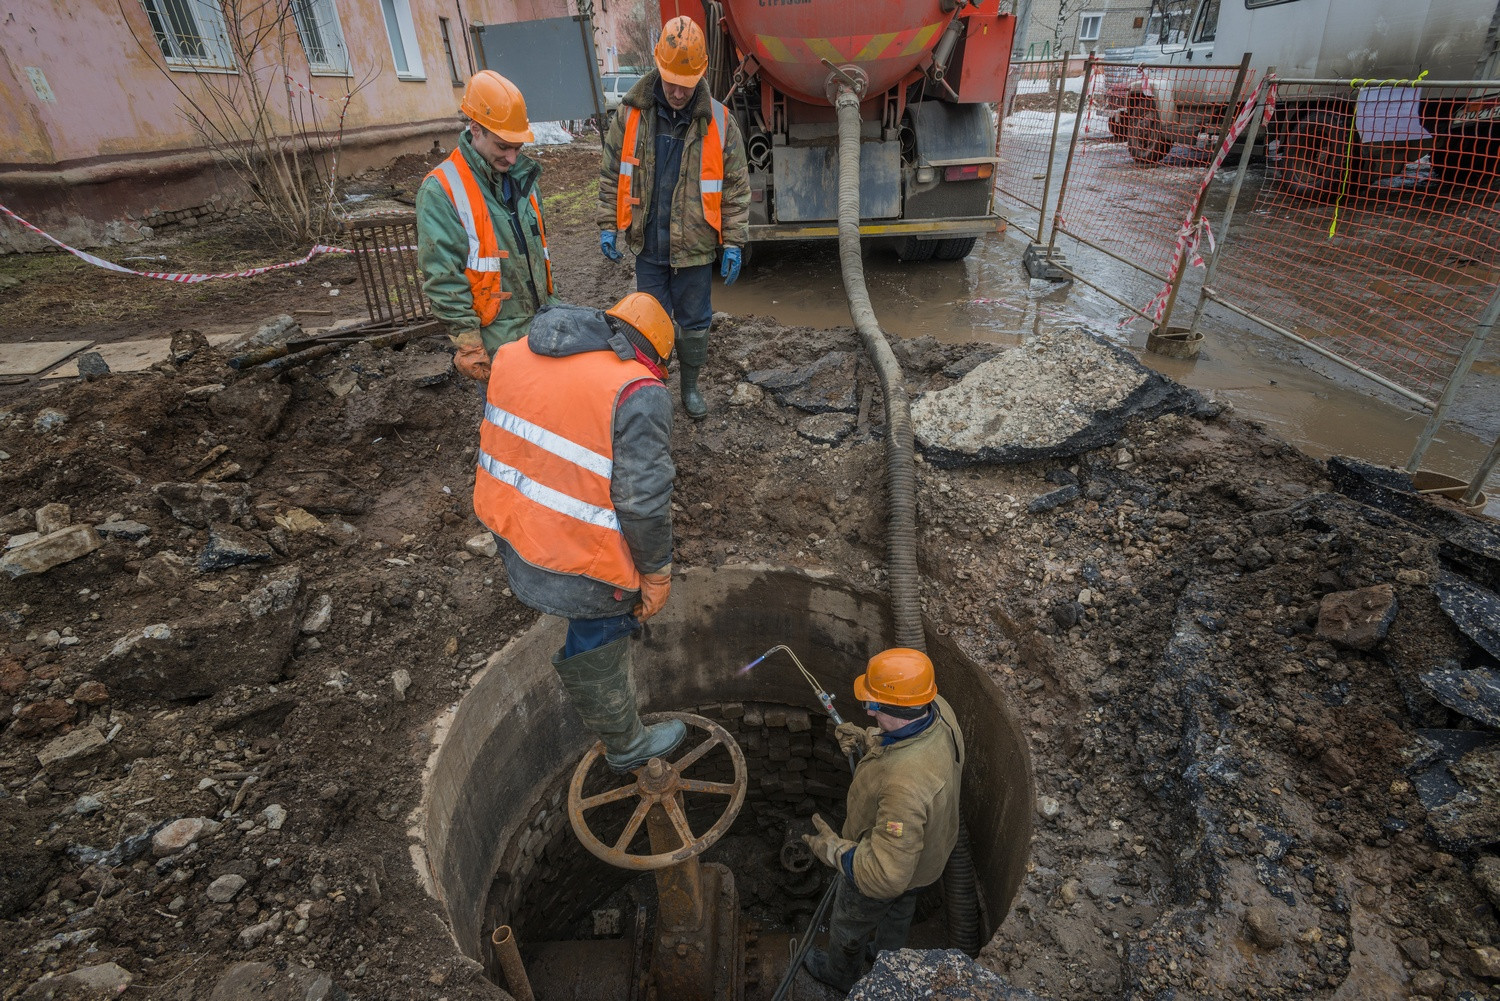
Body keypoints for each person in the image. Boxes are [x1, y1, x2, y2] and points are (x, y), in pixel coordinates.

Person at [472, 291, 685, 772]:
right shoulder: (635, 390)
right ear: (650, 355)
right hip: (576, 559)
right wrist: (655, 574)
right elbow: (643, 503)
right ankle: (627, 744)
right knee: (602, 623)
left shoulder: (517, 351)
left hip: (512, 527)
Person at [597, 15, 751, 420]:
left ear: (700, 75)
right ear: (658, 68)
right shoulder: (631, 114)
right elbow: (613, 171)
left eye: (686, 84)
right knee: (648, 321)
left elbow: (735, 187)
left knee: (695, 321)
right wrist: (607, 224)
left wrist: (734, 241)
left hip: (696, 247)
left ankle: (690, 386)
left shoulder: (719, 121)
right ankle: (654, 390)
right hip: (648, 244)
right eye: (671, 83)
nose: (678, 92)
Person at [801, 648, 967, 992]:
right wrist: (869, 738)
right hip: (923, 861)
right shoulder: (939, 708)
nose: (869, 711)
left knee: (849, 923)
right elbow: (913, 744)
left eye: (872, 706)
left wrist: (835, 851)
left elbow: (885, 875)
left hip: (885, 868)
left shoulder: (903, 786)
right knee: (902, 906)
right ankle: (887, 957)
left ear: (894, 709)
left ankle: (839, 975)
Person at [418, 70, 557, 384]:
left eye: (518, 147)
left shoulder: (524, 180)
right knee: (508, 428)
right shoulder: (442, 190)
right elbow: (443, 277)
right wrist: (468, 343)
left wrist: (555, 308)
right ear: (475, 129)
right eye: (503, 146)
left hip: (540, 329)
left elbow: (539, 254)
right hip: (498, 344)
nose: (512, 157)